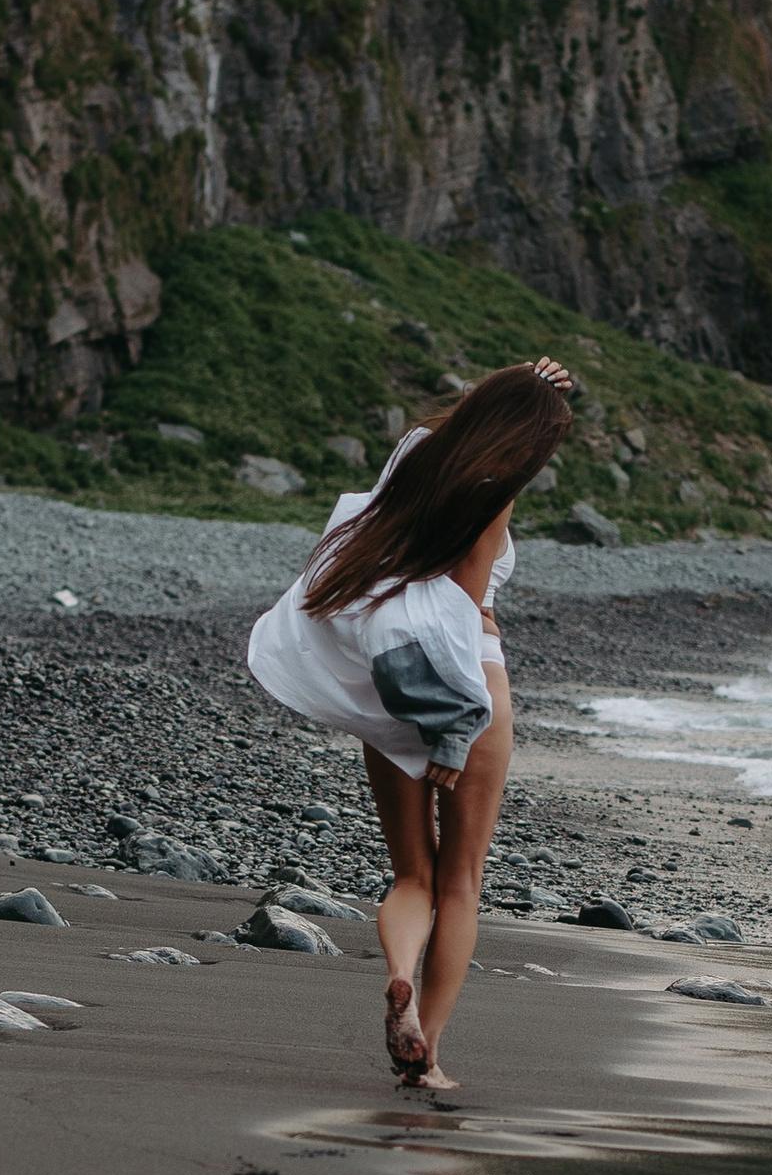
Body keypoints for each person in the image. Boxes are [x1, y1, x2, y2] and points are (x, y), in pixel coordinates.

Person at [246, 355, 576, 1096]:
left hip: (389, 687)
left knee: (411, 873)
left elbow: (471, 415)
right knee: (460, 881)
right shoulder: (494, 497)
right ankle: (428, 1052)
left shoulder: (416, 452)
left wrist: (520, 379)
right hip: (465, 688)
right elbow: (462, 614)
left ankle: (399, 974)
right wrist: (455, 733)